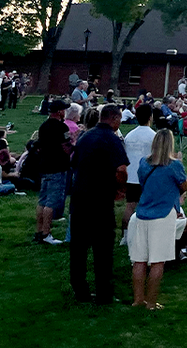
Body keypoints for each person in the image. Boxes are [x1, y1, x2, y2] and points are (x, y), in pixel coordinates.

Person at [70, 104, 129, 305]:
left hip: (79, 198)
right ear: (113, 118)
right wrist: (120, 189)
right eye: (119, 119)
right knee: (103, 247)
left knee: (78, 246)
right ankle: (104, 293)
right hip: (100, 199)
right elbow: (121, 169)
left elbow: (75, 163)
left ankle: (79, 289)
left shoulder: (85, 136)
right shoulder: (112, 139)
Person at [127, 129, 187, 310]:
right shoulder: (174, 166)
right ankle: (151, 303)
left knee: (139, 260)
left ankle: (138, 299)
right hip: (163, 214)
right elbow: (184, 185)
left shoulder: (143, 163)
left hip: (142, 212)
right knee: (157, 261)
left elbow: (143, 182)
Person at [33, 100, 72, 246]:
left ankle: (38, 231)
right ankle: (46, 233)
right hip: (57, 166)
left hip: (45, 166)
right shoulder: (61, 127)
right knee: (52, 202)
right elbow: (66, 146)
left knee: (42, 200)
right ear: (60, 111)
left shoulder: (43, 126)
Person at [122, 100, 158, 245]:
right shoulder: (153, 136)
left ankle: (125, 236)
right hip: (147, 176)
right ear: (150, 117)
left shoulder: (129, 135)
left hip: (130, 175)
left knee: (130, 205)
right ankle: (146, 234)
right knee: (147, 205)